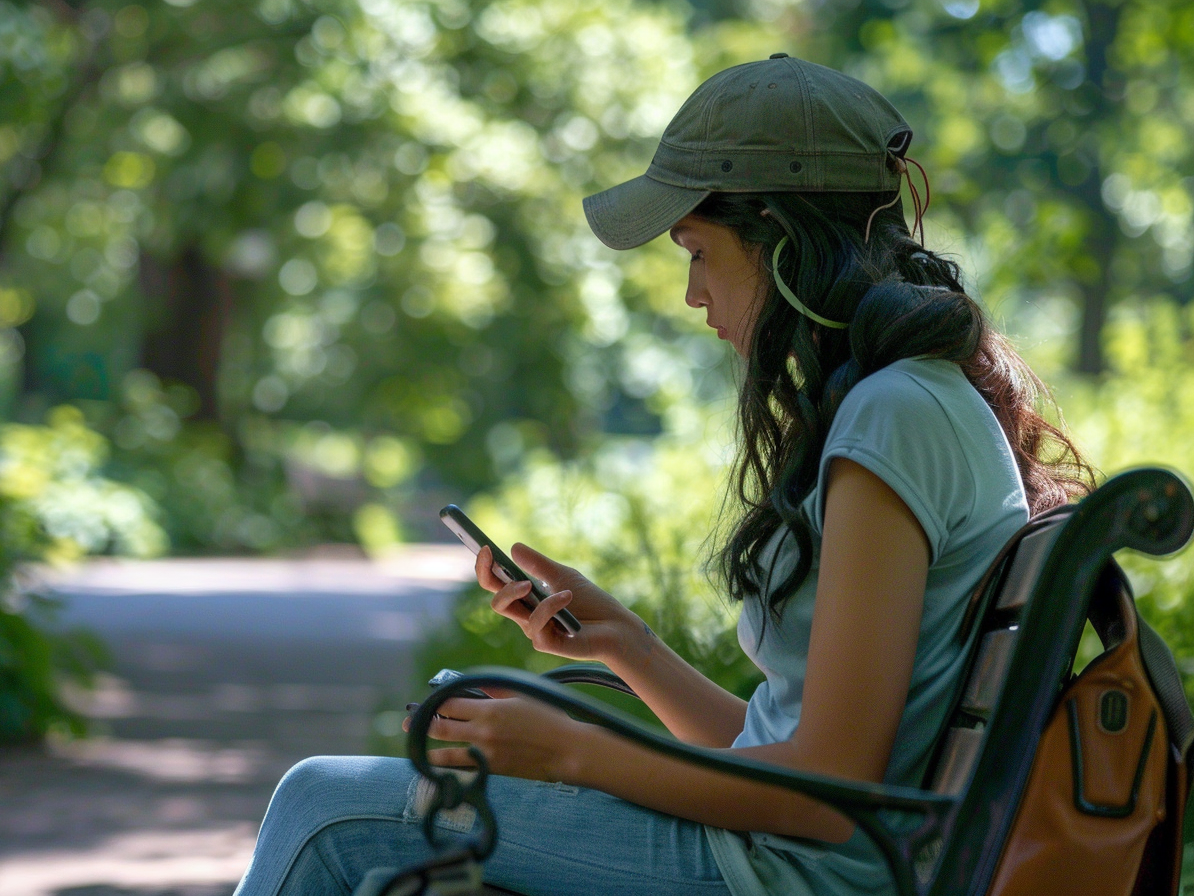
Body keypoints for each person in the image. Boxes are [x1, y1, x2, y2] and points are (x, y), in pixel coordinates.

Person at [231, 55, 1094, 896]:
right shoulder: (906, 403)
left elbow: (829, 796)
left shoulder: (892, 415)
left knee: (323, 807)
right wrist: (628, 646)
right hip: (791, 857)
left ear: (783, 248)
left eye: (697, 251)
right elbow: (788, 749)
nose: (692, 294)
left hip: (791, 873)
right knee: (378, 857)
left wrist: (566, 750)